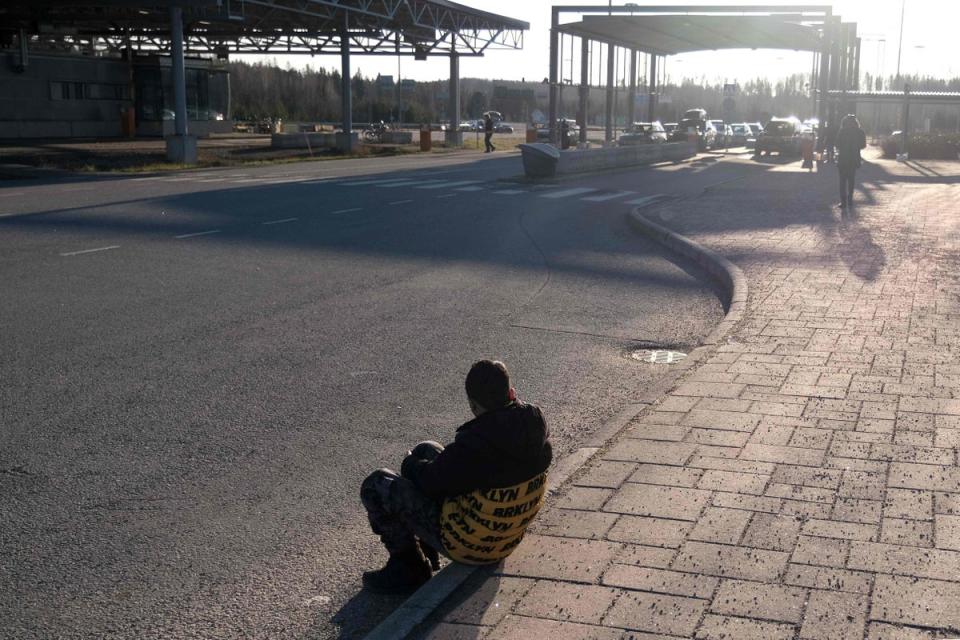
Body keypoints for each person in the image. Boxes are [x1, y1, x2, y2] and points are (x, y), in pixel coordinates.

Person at [359, 360, 552, 594]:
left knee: (377, 484)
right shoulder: (534, 424)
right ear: (511, 393)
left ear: (474, 406)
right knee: (427, 449)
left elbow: (430, 483)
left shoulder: (474, 446)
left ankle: (408, 567)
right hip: (508, 537)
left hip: (473, 545)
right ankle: (427, 549)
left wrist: (409, 464)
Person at [835, 114, 867, 208]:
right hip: (854, 159)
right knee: (851, 180)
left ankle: (843, 202)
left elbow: (837, 144)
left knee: (842, 182)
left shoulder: (842, 131)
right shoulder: (860, 132)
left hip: (843, 159)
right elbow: (863, 145)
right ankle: (850, 200)